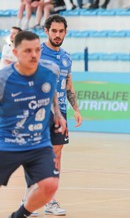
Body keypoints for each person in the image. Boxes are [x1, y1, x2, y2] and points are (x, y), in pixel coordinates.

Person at [0, 31, 66, 218]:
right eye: (28, 51)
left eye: (37, 50)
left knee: (50, 185)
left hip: (38, 142)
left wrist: (58, 113)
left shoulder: (51, 70)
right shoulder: (3, 79)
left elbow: (51, 90)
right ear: (15, 52)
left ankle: (19, 216)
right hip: (7, 142)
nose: (34, 55)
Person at [23, 15, 83, 216]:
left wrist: (76, 109)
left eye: (61, 31)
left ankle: (49, 199)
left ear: (65, 32)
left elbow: (68, 85)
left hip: (61, 114)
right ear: (46, 31)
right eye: (54, 31)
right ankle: (30, 199)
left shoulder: (66, 57)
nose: (57, 35)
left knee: (56, 155)